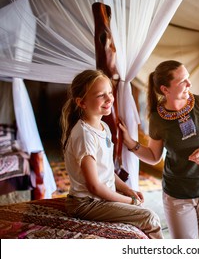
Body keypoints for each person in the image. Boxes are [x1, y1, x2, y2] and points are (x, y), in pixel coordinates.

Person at [119, 60, 199, 239]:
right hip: (178, 195)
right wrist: (131, 143)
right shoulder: (157, 119)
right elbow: (154, 156)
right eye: (182, 81)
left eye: (188, 78)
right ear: (165, 89)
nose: (189, 84)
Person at [60, 69, 163, 239]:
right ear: (82, 102)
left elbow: (107, 171)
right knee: (149, 217)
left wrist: (129, 191)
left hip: (98, 199)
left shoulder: (104, 128)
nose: (109, 99)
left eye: (110, 92)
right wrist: (130, 202)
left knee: (141, 209)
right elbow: (94, 186)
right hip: (86, 204)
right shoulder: (84, 136)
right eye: (101, 95)